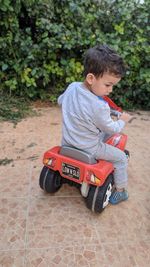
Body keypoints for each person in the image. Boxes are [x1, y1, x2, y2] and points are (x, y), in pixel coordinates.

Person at [58, 44, 132, 205]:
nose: (110, 90)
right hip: (89, 147)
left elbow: (60, 101)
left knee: (101, 133)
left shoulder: (72, 87)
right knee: (120, 158)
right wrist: (122, 120)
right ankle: (121, 191)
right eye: (108, 85)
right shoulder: (100, 106)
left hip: (68, 142)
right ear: (91, 78)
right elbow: (111, 128)